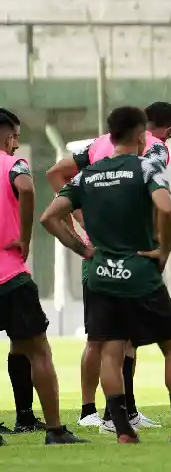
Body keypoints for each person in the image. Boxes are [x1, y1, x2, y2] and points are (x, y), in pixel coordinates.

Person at [41, 106, 171, 444]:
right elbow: (165, 208)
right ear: (139, 135)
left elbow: (49, 217)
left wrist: (83, 249)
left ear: (110, 135)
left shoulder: (87, 174)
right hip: (138, 271)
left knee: (111, 349)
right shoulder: (146, 165)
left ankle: (122, 430)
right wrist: (162, 249)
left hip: (102, 271)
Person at [0, 109, 85, 446]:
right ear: (6, 135)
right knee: (39, 352)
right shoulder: (11, 165)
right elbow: (27, 187)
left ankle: (22, 418)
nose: (17, 144)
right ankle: (55, 430)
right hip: (10, 276)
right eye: (15, 136)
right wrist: (24, 236)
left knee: (21, 348)